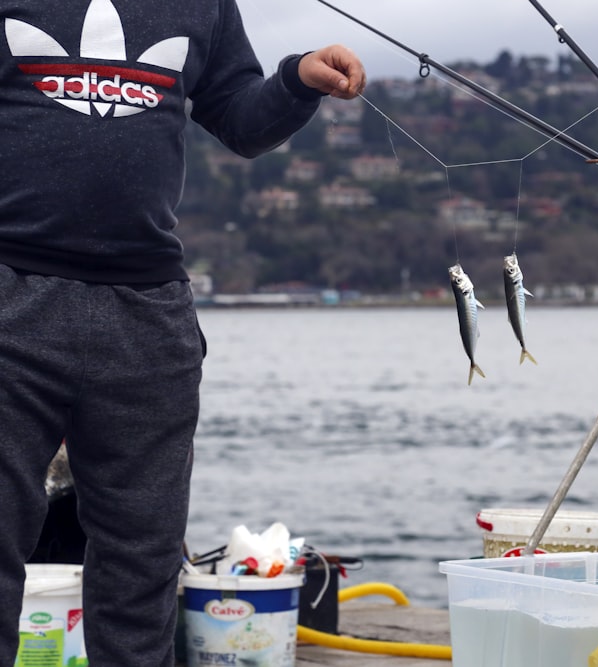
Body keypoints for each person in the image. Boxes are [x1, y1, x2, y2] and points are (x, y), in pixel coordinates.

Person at [0, 0, 365, 664]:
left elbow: (239, 117)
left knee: (143, 563)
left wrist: (298, 79)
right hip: (12, 292)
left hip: (150, 311)